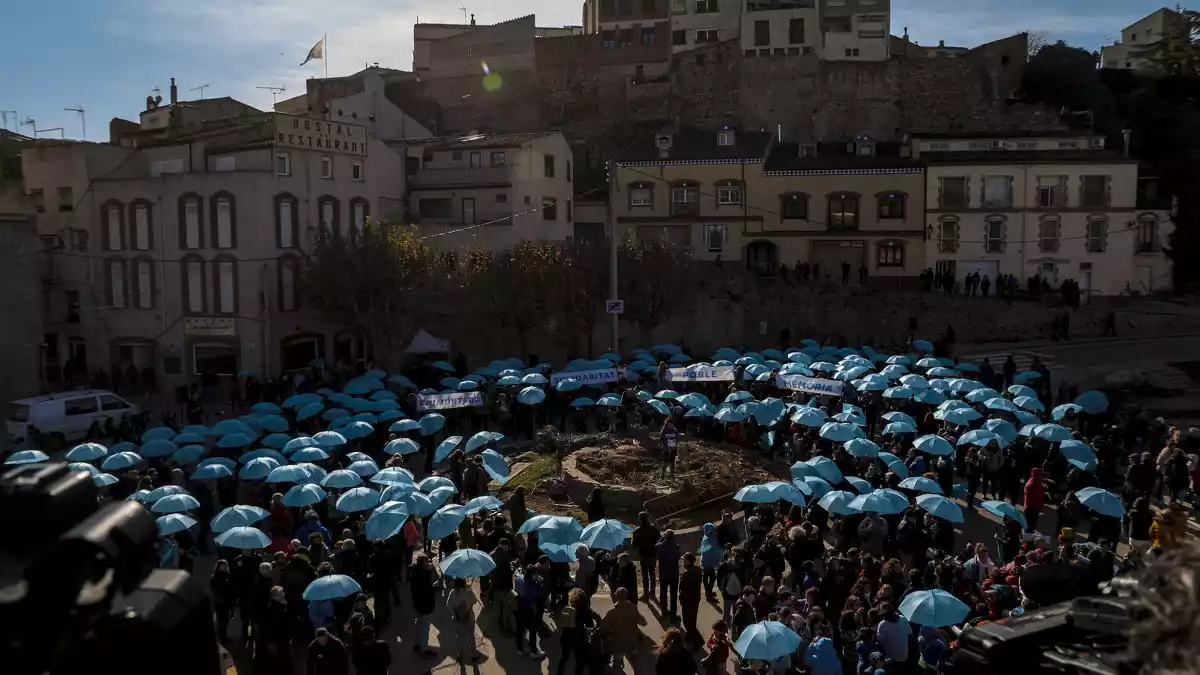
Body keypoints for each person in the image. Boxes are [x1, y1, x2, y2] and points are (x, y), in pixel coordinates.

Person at [598, 587, 646, 672]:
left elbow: (603, 629)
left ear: (616, 597)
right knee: (636, 664)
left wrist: (605, 636)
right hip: (632, 642)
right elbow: (643, 622)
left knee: (616, 664)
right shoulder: (633, 608)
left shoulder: (611, 612)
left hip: (618, 645)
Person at [557, 588, 598, 675]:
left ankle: (559, 672)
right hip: (578, 639)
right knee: (580, 660)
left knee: (564, 657)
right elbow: (590, 624)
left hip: (565, 637)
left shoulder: (568, 608)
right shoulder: (585, 611)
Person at [408, 552, 439, 658]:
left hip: (418, 603)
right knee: (425, 627)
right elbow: (427, 589)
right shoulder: (422, 574)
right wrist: (433, 586)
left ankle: (417, 644)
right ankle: (424, 650)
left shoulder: (415, 572)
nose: (429, 563)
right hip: (425, 604)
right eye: (427, 561)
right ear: (423, 563)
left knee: (419, 624)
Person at [447, 577, 483, 664]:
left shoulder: (453, 592)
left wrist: (455, 612)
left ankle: (460, 655)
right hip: (469, 617)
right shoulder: (468, 591)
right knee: (471, 636)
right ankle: (473, 654)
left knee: (459, 637)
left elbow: (448, 605)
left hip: (457, 618)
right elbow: (474, 601)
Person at [632, 512, 661, 602]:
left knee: (645, 575)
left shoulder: (637, 531)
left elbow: (634, 545)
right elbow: (659, 539)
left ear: (639, 519)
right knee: (652, 573)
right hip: (653, 554)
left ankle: (646, 594)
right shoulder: (653, 529)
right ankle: (652, 592)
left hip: (643, 555)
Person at [680, 552, 704, 646]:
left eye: (684, 559)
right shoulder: (697, 570)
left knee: (687, 621)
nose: (682, 561)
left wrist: (681, 599)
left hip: (687, 600)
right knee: (692, 619)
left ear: (687, 561)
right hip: (695, 598)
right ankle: (690, 636)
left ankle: (698, 641)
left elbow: (682, 589)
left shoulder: (686, 574)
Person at [657, 529, 682, 620]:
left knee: (663, 592)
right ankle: (673, 614)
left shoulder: (660, 546)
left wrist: (661, 539)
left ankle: (664, 610)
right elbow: (678, 556)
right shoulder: (676, 547)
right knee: (673, 594)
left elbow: (655, 546)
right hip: (674, 573)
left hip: (663, 573)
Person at [210, 559, 234, 645]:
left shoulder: (228, 576)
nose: (225, 567)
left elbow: (231, 590)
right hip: (220, 603)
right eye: (223, 566)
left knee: (225, 622)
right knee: (221, 623)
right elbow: (215, 590)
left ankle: (223, 638)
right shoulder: (215, 577)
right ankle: (221, 639)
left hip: (227, 602)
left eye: (226, 566)